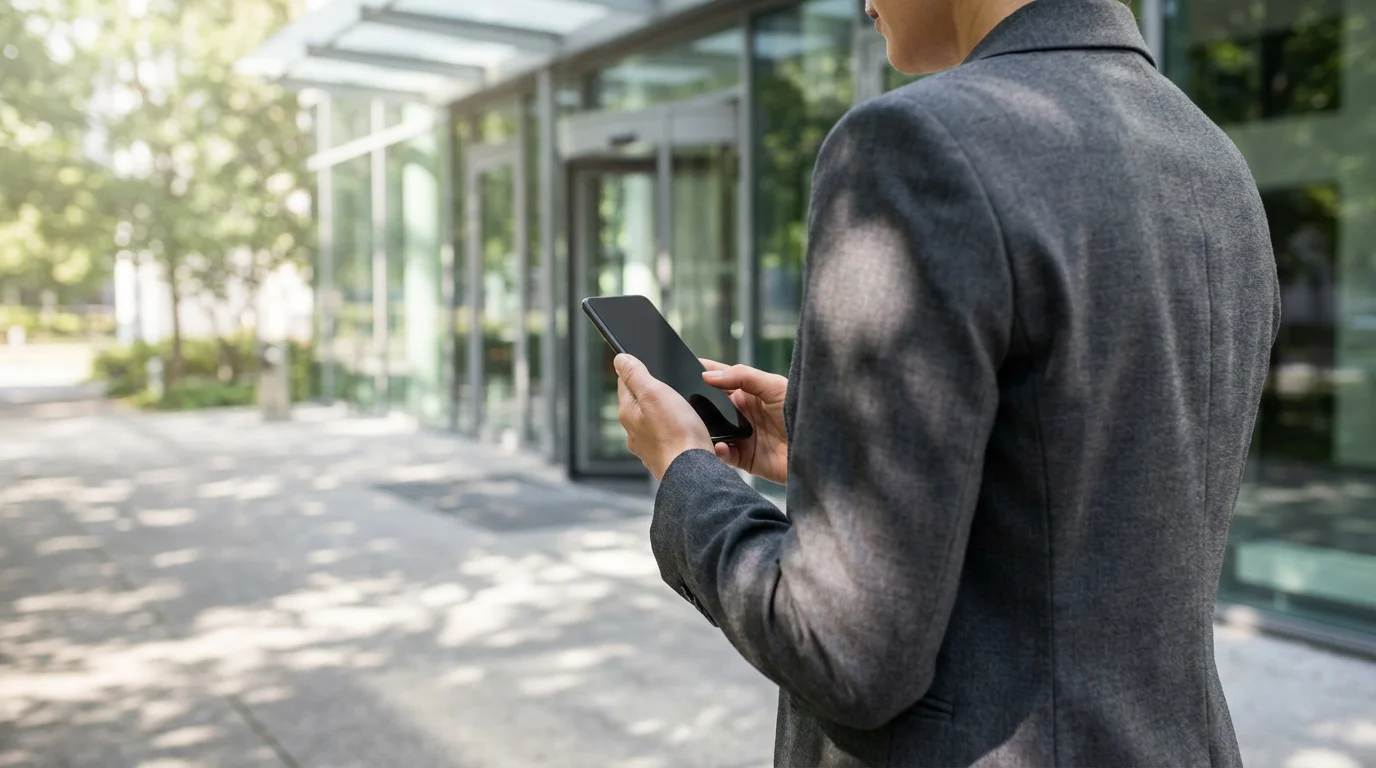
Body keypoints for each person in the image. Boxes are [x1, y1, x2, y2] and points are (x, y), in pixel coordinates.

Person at [611, 0, 1280, 764]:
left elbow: (841, 648)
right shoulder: (1209, 156)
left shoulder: (915, 144)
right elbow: (1100, 485)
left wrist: (686, 473)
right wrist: (840, 441)